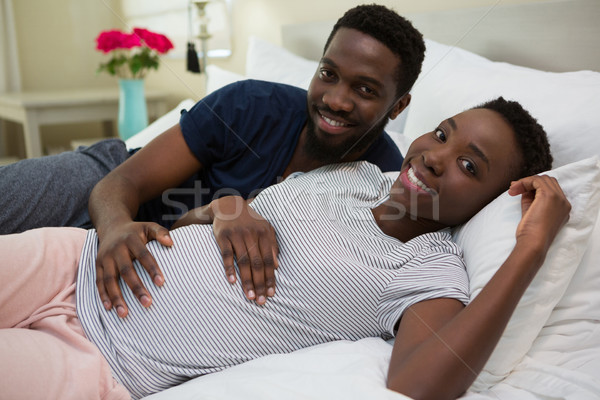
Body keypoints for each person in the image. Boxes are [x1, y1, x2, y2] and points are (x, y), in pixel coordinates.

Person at [0, 98, 570, 400]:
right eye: (442, 133)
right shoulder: (354, 173)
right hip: (74, 263)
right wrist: (223, 207)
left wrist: (530, 250)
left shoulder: (430, 274)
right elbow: (205, 219)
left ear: (495, 199)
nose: (435, 156)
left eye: (470, 166)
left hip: (106, 362)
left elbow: (416, 388)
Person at [0, 4, 425, 315]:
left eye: (365, 90)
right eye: (328, 74)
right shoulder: (250, 104)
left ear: (398, 105)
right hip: (103, 188)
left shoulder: (380, 183)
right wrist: (113, 227)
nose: (335, 100)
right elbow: (118, 184)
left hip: (155, 256)